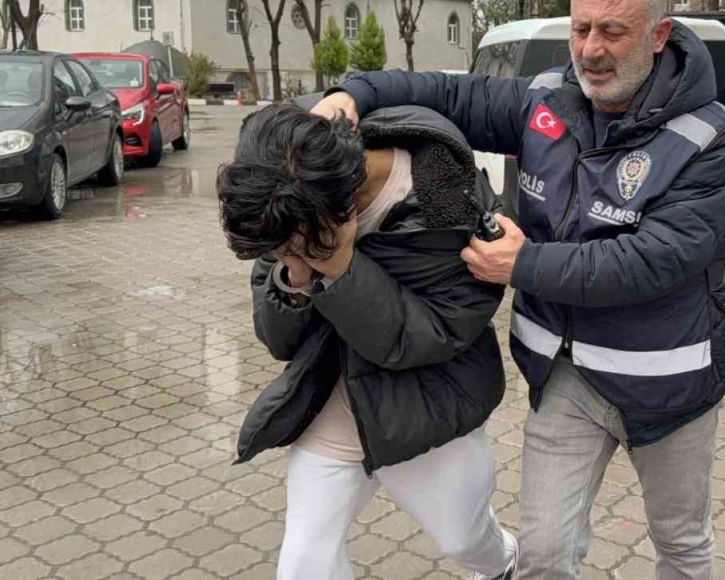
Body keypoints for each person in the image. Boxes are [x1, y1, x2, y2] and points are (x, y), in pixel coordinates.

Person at [313, 0, 725, 580]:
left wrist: (523, 263)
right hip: (566, 377)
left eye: (613, 32)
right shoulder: (546, 99)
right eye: (581, 29)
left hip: (670, 384)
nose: (591, 50)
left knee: (681, 544)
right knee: (544, 556)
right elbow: (446, 93)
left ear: (659, 35)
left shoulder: (707, 139)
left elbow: (653, 260)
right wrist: (352, 94)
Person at [217, 104, 518, 580]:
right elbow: (279, 342)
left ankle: (504, 561)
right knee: (303, 566)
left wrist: (340, 268)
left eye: (294, 246)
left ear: (341, 209)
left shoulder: (449, 208)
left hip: (424, 405)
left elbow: (429, 337)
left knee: (463, 539)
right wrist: (294, 275)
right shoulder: (285, 193)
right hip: (333, 403)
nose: (288, 253)